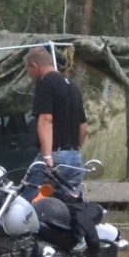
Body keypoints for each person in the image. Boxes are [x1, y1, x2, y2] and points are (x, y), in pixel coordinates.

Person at [24, 46, 89, 197]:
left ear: (34, 66)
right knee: (69, 204)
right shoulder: (73, 86)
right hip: (75, 159)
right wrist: (74, 152)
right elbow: (84, 128)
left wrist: (47, 157)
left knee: (28, 202)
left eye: (27, 70)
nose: (28, 75)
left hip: (55, 157)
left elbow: (46, 119)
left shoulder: (45, 82)